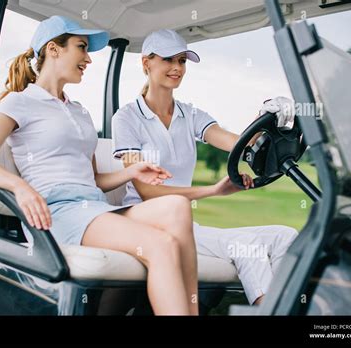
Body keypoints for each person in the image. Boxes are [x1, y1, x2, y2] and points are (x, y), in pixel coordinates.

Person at [0, 18, 199, 315]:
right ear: (53, 49)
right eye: (81, 48)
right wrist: (20, 187)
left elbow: (92, 180)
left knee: (177, 206)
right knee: (160, 244)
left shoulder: (79, 111)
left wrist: (131, 171)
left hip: (94, 207)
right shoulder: (19, 102)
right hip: (59, 213)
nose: (88, 59)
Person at [112, 29, 298, 305]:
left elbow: (237, 143)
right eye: (168, 60)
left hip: (183, 224)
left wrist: (264, 122)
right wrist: (212, 190)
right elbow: (147, 193)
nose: (177, 68)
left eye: (182, 61)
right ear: (146, 63)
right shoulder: (127, 118)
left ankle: (284, 309)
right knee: (247, 247)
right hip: (146, 222)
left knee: (286, 236)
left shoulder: (191, 115)